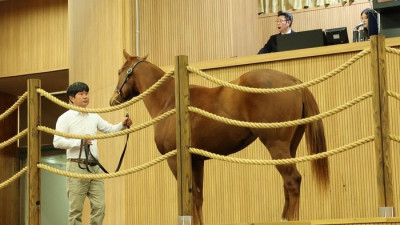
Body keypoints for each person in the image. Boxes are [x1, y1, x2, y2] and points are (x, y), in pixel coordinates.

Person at [53, 82, 132, 225]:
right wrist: (79, 142)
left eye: (86, 93)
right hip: (76, 167)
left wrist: (122, 124)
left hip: (95, 167)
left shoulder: (93, 116)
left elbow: (110, 130)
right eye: (81, 94)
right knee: (76, 210)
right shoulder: (65, 118)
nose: (85, 97)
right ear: (71, 98)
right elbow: (57, 142)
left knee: (100, 207)